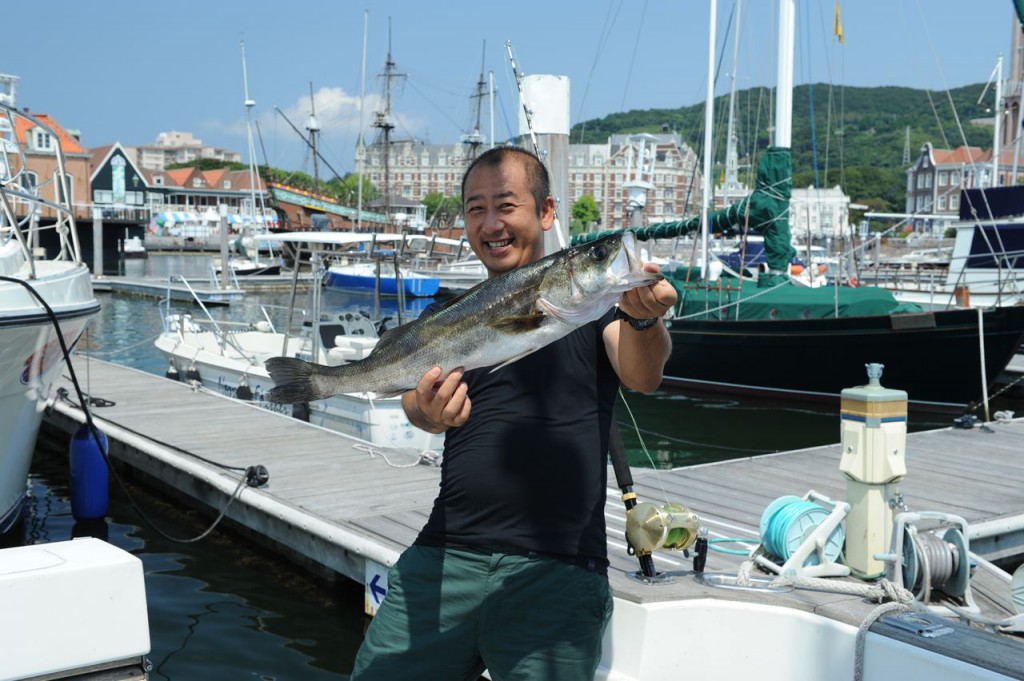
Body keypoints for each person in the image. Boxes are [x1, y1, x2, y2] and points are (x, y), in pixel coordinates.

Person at [350, 146, 677, 681]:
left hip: (559, 568)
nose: (491, 223)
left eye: (506, 205)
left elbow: (644, 376)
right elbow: (415, 401)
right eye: (476, 209)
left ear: (546, 212)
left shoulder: (597, 309)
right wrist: (430, 413)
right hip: (446, 553)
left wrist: (643, 320)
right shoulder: (446, 314)